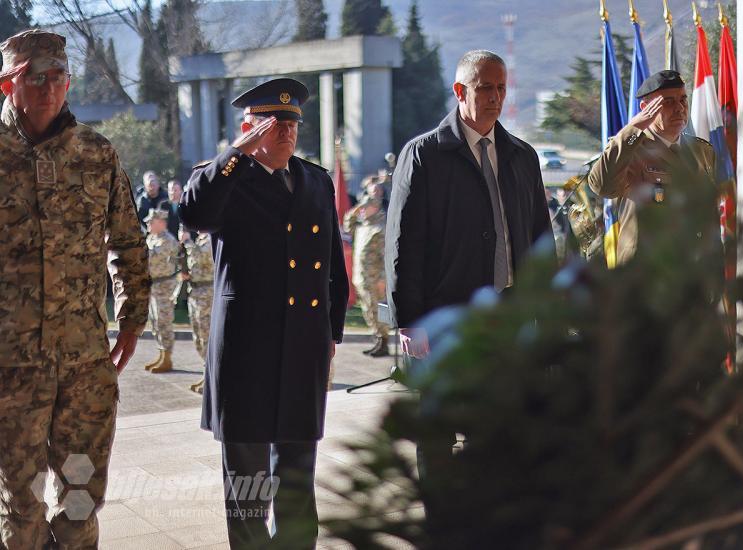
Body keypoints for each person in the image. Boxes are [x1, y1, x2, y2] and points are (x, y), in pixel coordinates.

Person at [385, 49, 554, 521]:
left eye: (502, 88)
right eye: (485, 87)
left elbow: (541, 239)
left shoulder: (522, 156)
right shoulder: (423, 155)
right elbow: (402, 244)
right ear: (460, 91)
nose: (495, 97)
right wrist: (409, 320)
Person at [180, 78, 349, 549]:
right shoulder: (225, 178)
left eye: (292, 123)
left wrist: (330, 337)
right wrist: (235, 154)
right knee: (250, 489)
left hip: (302, 348)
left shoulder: (315, 180)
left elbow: (333, 267)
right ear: (248, 127)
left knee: (297, 483)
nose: (286, 132)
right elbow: (194, 214)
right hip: (247, 355)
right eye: (274, 124)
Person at [0, 29, 150, 548]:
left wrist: (132, 318)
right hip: (10, 371)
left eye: (58, 76)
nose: (48, 86)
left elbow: (128, 241)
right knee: (20, 503)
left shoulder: (97, 154)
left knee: (82, 492)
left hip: (84, 369)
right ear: (7, 85)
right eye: (34, 76)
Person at [588, 70, 716, 265]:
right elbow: (601, 186)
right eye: (668, 102)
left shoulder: (701, 151)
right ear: (645, 108)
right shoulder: (630, 150)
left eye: (683, 100)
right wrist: (633, 129)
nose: (680, 108)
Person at [344, 177, 390, 357]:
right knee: (368, 311)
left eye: (369, 204)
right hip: (362, 277)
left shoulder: (381, 227)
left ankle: (385, 340)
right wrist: (357, 209)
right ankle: (378, 339)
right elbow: (348, 223)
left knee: (380, 311)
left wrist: (383, 279)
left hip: (376, 278)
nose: (365, 207)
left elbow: (387, 256)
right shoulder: (363, 226)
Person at [143, 208, 181, 374]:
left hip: (165, 286)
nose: (148, 224)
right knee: (156, 322)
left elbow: (151, 257)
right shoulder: (151, 238)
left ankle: (167, 358)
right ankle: (161, 354)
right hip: (153, 285)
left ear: (161, 222)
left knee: (164, 322)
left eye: (151, 222)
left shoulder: (168, 240)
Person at [179, 227, 214, 393]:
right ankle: (205, 373)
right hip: (195, 291)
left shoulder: (211, 238)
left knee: (207, 336)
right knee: (198, 336)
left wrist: (187, 241)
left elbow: (202, 257)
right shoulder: (200, 239)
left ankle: (210, 379)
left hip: (206, 294)